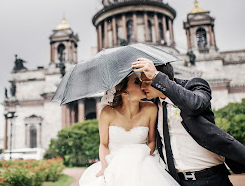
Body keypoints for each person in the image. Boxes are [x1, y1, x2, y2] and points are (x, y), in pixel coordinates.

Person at [132, 58, 245, 186]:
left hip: (212, 178)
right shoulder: (152, 105)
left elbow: (195, 105)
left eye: (147, 81)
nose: (142, 86)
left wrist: (157, 77)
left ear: (161, 78)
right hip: (176, 181)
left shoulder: (194, 86)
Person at [79, 73, 179, 186]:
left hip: (143, 162)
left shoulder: (151, 109)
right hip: (114, 164)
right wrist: (105, 167)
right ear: (125, 92)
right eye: (137, 82)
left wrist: (137, 157)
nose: (142, 84)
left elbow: (151, 142)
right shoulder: (107, 113)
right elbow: (103, 145)